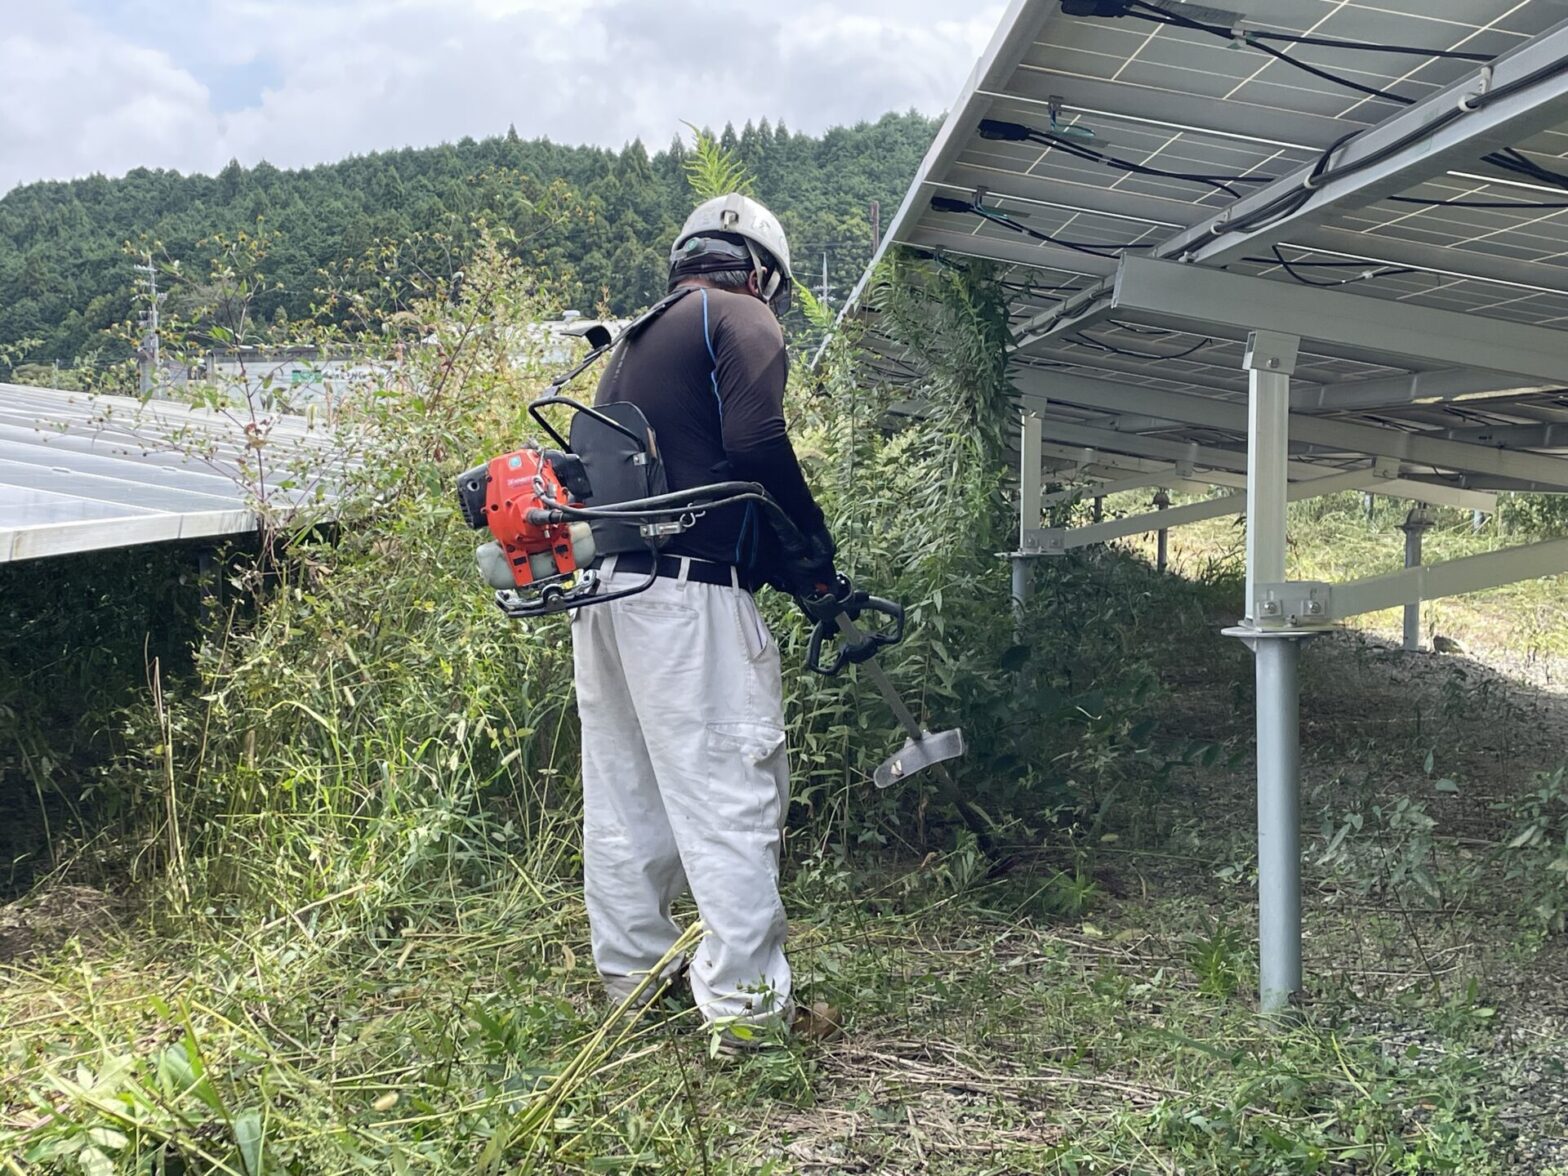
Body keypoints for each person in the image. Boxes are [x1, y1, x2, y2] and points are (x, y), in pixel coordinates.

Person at [570, 193, 838, 1046]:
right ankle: (749, 1014)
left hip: (608, 591)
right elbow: (758, 442)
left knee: (626, 794)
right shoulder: (740, 315)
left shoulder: (634, 340)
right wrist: (814, 545)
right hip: (686, 599)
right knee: (730, 790)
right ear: (759, 269)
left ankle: (636, 982)